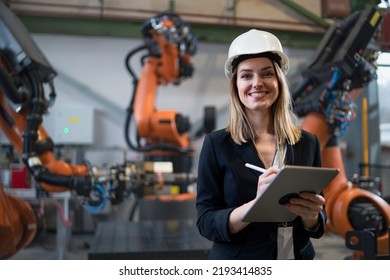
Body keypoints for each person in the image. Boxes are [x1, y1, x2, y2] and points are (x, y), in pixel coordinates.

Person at [196, 29, 327, 260]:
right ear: (236, 85)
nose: (257, 83)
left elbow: (316, 222)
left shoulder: (307, 142)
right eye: (246, 75)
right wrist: (256, 205)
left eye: (267, 74)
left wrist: (312, 215)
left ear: (279, 81)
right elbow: (206, 222)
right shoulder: (217, 144)